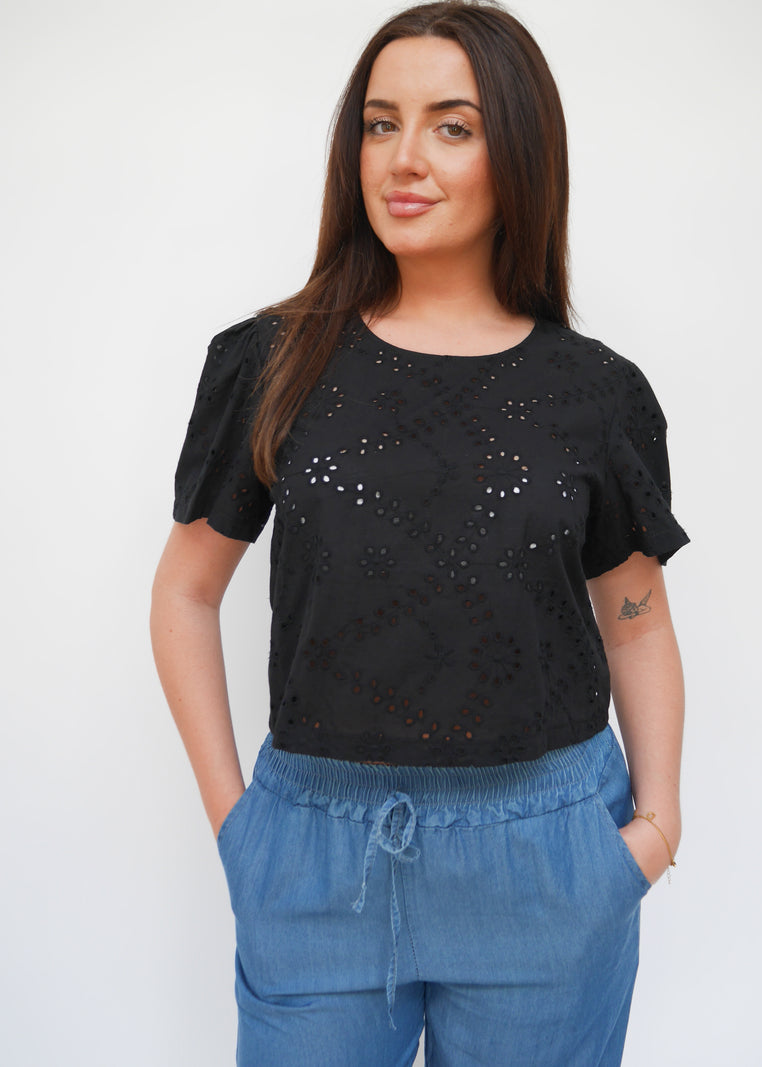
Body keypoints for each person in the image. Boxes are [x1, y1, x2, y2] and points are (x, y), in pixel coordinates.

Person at [150, 2, 689, 1064]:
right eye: (379, 123)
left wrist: (656, 828)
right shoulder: (271, 362)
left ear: (518, 151)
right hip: (314, 860)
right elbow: (185, 590)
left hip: (547, 863)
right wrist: (238, 825)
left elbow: (635, 618)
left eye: (452, 125)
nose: (403, 158)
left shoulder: (594, 393)